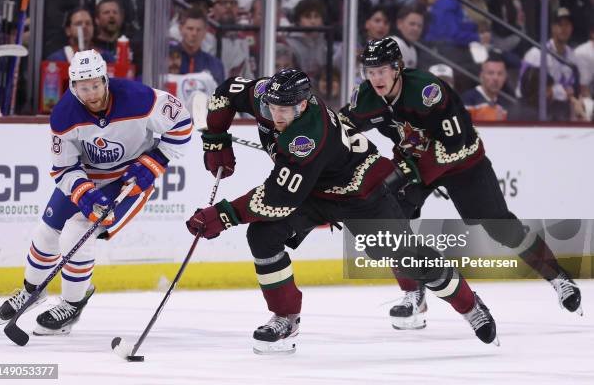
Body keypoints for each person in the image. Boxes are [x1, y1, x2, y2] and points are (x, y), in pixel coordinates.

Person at [185, 68, 499, 355]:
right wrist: (216, 140)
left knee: (406, 257)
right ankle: (286, 318)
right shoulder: (264, 95)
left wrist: (222, 215)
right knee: (264, 235)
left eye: (286, 111)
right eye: (273, 108)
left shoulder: (306, 137)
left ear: (304, 106)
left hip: (360, 194)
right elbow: (226, 93)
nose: (277, 116)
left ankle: (471, 306)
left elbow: (278, 198)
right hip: (313, 191)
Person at [339, 37, 582, 330]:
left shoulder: (428, 92)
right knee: (391, 222)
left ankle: (558, 277)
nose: (376, 77)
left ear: (398, 68)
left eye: (382, 70)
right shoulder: (365, 96)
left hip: (461, 160)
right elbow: (340, 128)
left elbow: (452, 144)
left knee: (500, 226)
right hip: (413, 162)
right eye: (370, 71)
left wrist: (404, 171)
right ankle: (413, 293)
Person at [0, 50, 192, 335]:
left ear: (105, 79)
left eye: (96, 85)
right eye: (83, 87)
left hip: (128, 180)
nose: (91, 93)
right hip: (86, 177)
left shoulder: (139, 97)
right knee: (46, 231)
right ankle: (32, 290)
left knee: (77, 232)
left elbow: (182, 123)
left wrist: (154, 162)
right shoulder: (64, 114)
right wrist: (84, 193)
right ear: (73, 87)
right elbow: (63, 168)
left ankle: (73, 304)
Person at [47, 8, 114, 63]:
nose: (84, 27)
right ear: (68, 31)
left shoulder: (106, 57)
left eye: (88, 23)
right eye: (78, 24)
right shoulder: (56, 59)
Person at [178, 7, 225, 85]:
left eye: (198, 30)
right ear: (181, 29)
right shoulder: (168, 60)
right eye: (190, 29)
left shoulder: (215, 64)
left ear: (205, 32)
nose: (194, 34)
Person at [461, 54, 513, 121]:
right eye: (490, 73)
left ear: (505, 77)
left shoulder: (505, 104)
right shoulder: (466, 101)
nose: (495, 78)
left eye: (500, 74)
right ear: (481, 76)